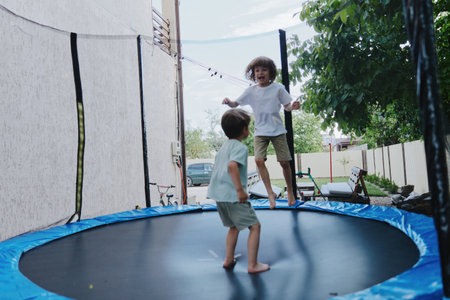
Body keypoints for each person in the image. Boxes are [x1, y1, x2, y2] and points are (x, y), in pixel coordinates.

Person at [222, 56, 300, 209]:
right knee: (259, 160)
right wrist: (228, 102)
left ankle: (290, 190)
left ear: (270, 72)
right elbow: (235, 104)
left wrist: (294, 106)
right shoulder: (251, 91)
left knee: (284, 162)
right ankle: (270, 192)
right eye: (257, 70)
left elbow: (287, 106)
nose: (260, 73)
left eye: (264, 70)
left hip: (277, 130)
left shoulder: (278, 88)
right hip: (260, 132)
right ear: (253, 74)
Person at [207, 108, 270, 274]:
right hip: (233, 195)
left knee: (234, 227)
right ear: (244, 129)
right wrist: (240, 190)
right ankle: (253, 265)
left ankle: (228, 259)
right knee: (255, 226)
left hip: (219, 197)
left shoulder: (222, 148)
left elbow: (218, 169)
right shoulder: (240, 148)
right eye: (248, 126)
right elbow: (232, 166)